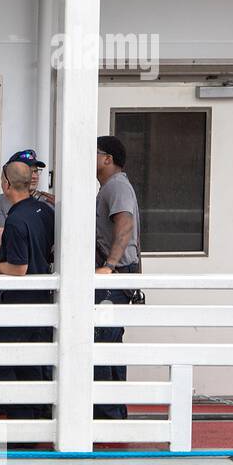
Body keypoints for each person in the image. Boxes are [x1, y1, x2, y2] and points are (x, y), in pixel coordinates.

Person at [0, 149, 54, 418]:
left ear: (6, 184)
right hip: (41, 301)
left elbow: (18, 268)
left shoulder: (16, 218)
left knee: (5, 362)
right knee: (32, 365)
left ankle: (22, 428)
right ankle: (34, 421)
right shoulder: (45, 211)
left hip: (15, 304)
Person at [93, 134, 141, 421]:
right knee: (108, 345)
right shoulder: (111, 187)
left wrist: (109, 266)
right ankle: (112, 413)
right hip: (118, 280)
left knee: (101, 345)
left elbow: (125, 224)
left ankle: (107, 416)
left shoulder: (117, 187)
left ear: (107, 159)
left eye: (94, 153)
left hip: (113, 282)